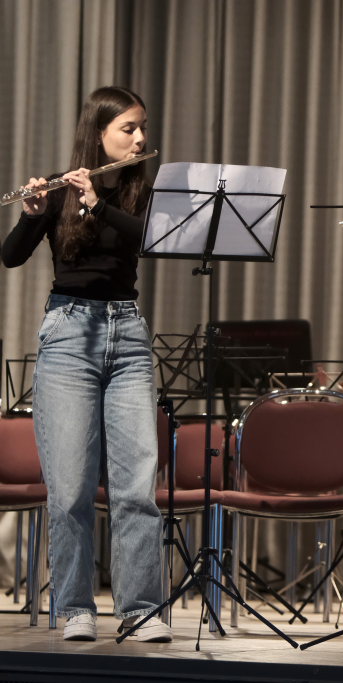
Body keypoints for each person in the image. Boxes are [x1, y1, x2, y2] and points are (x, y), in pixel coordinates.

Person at [1, 86, 172, 643]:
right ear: (98, 133)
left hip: (128, 334)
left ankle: (140, 609)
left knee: (136, 488)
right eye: (128, 128)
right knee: (71, 488)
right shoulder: (61, 187)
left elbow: (152, 239)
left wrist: (99, 204)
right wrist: (32, 213)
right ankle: (75, 606)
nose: (140, 138)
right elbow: (11, 256)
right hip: (69, 333)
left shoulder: (142, 191)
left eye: (142, 128)